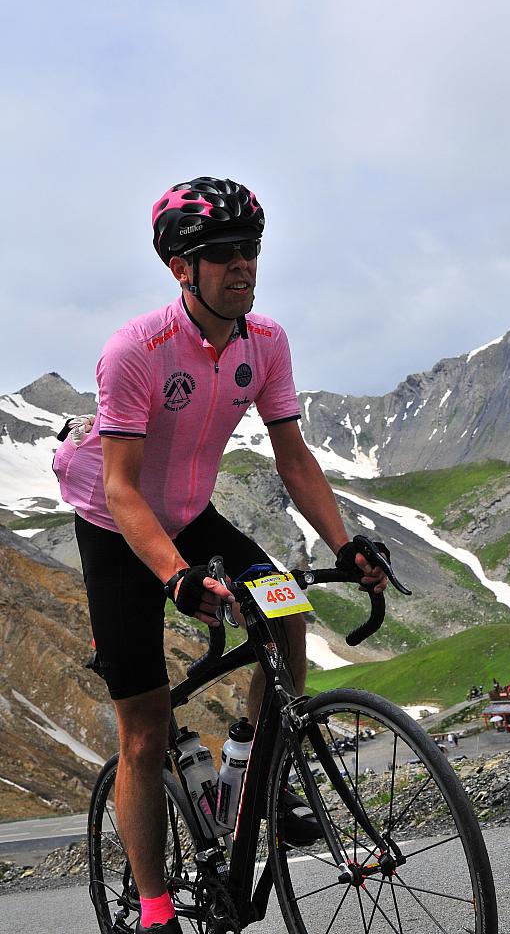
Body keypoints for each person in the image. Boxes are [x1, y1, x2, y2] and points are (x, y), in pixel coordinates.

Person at [54, 176, 388, 934]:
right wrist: (174, 577)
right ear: (181, 266)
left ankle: (256, 769)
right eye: (225, 253)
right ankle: (154, 910)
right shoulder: (134, 351)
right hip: (117, 522)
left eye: (252, 250)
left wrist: (347, 543)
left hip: (190, 510)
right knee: (143, 728)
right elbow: (124, 490)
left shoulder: (266, 342)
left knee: (286, 607)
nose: (245, 266)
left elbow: (294, 459)